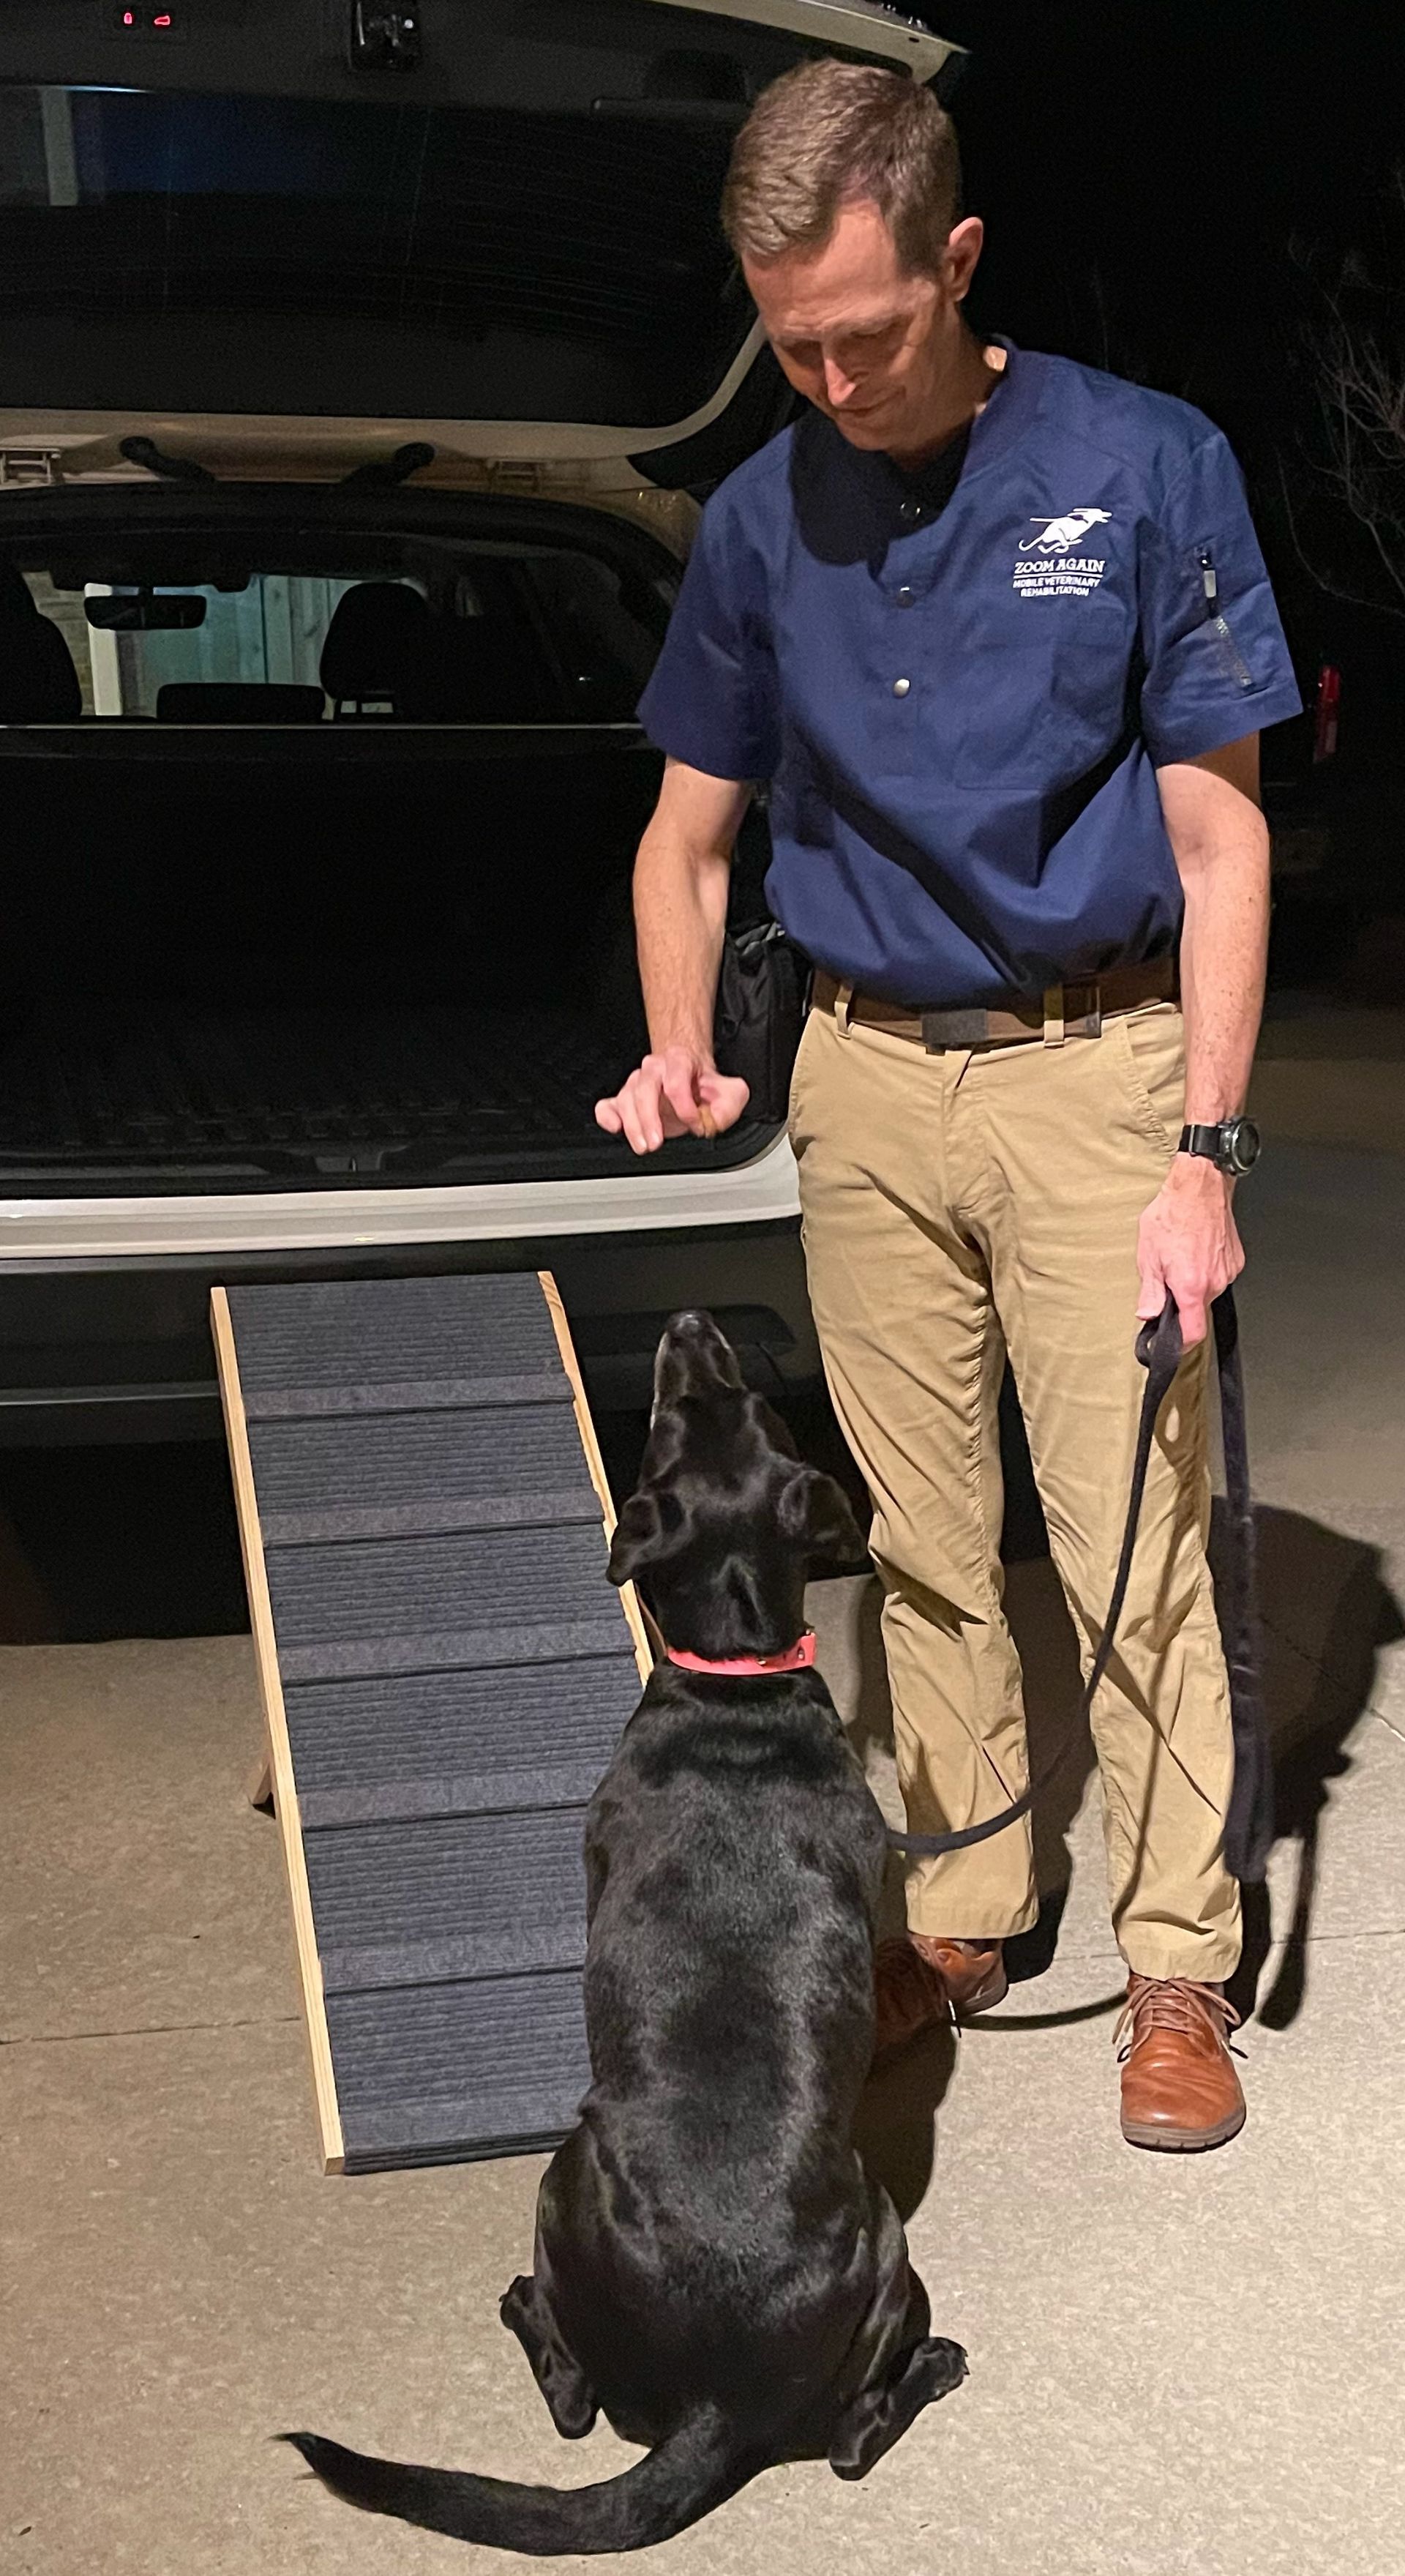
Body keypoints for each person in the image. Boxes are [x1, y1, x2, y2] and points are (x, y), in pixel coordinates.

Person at [596, 61, 1300, 2150]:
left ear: (959, 262)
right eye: (790, 340)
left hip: (1102, 1070)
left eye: (868, 333)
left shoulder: (1145, 464)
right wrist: (681, 1035)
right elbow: (683, 843)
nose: (828, 378)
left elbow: (1227, 841)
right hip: (871, 1087)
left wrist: (1209, 1156)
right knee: (915, 1538)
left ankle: (1176, 1964)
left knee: (1131, 1544)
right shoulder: (753, 520)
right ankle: (971, 1900)